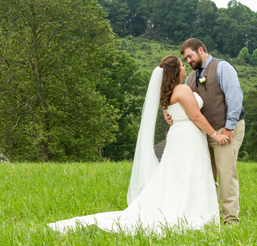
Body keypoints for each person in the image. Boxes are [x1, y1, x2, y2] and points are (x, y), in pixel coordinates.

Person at [48, 56, 228, 234]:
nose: (185, 68)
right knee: (190, 174)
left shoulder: (165, 92)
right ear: (175, 71)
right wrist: (215, 135)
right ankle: (193, 211)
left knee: (176, 174)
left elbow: (170, 113)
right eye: (182, 65)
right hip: (189, 136)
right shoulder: (182, 89)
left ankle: (182, 207)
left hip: (178, 136)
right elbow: (196, 116)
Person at [175, 38, 245, 225]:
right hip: (205, 133)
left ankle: (230, 220)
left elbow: (235, 98)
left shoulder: (222, 67)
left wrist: (229, 128)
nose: (188, 61)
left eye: (190, 56)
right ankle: (211, 216)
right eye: (186, 59)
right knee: (207, 175)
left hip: (226, 128)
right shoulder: (190, 78)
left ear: (200, 50)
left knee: (226, 173)